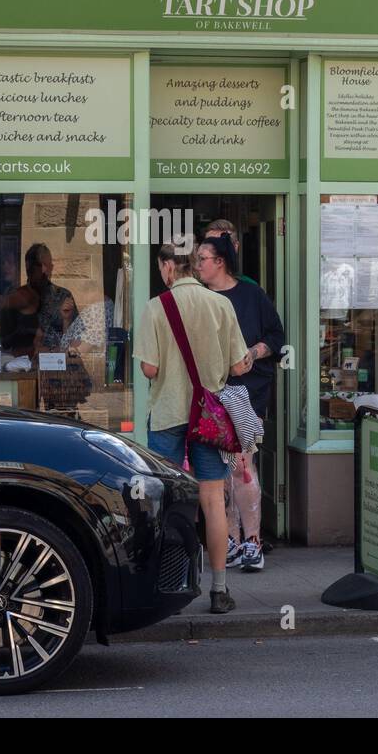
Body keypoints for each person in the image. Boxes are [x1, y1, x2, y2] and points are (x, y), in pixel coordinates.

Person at [136, 242, 252, 613]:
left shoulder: (156, 308)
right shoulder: (221, 305)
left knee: (167, 503)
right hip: (210, 419)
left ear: (169, 266)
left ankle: (168, 584)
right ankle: (218, 589)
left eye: (161, 267)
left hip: (169, 413)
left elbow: (149, 370)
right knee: (213, 501)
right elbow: (237, 366)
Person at [195, 233, 284, 572]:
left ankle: (252, 542)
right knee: (223, 467)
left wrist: (254, 352)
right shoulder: (200, 298)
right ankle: (229, 539)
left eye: (203, 258)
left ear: (220, 262)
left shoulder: (250, 294)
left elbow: (276, 335)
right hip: (211, 393)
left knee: (244, 464)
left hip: (248, 392)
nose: (198, 264)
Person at [205, 218, 257, 285]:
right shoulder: (194, 288)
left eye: (221, 244)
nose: (213, 250)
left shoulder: (251, 288)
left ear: (235, 247)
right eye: (208, 244)